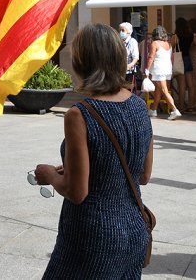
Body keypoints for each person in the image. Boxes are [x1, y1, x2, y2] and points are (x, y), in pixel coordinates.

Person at [34, 23, 154, 279]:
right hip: (134, 228)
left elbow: (77, 193)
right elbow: (143, 175)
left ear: (82, 64)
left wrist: (50, 176)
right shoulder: (139, 106)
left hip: (94, 236)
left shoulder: (80, 114)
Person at [145, 26, 180, 120]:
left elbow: (151, 57)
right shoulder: (169, 44)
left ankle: (174, 110)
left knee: (164, 90)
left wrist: (146, 69)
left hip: (158, 69)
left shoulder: (154, 43)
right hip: (167, 68)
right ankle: (153, 110)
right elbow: (171, 58)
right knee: (158, 90)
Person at [173, 17, 194, 110]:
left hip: (179, 58)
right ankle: (191, 105)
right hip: (187, 58)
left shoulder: (176, 36)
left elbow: (171, 46)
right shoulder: (191, 35)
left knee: (181, 84)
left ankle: (181, 105)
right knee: (190, 83)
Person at [119, 22, 139, 86]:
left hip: (128, 70)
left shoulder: (132, 41)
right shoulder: (119, 41)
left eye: (123, 30)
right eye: (120, 30)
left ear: (129, 32)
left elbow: (136, 57)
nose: (121, 32)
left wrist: (130, 65)